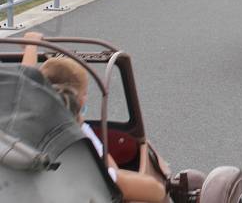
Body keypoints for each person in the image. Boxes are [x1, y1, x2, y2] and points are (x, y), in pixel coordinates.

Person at [21, 32, 167, 203]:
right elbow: (118, 182)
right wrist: (158, 189)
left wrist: (31, 46)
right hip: (86, 192)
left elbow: (24, 85)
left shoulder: (19, 132)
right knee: (156, 189)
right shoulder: (78, 139)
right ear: (81, 99)